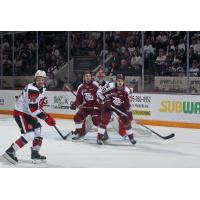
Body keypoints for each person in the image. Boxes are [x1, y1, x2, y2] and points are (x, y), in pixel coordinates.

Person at [3, 70, 56, 164]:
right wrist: (47, 118)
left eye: (42, 79)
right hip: (21, 113)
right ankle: (10, 151)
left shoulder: (42, 88)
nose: (40, 81)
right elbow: (33, 109)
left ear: (44, 80)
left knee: (39, 131)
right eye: (38, 79)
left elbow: (38, 106)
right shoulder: (32, 90)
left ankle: (35, 153)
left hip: (29, 113)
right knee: (29, 135)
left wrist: (45, 115)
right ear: (35, 79)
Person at [96, 74, 136, 145]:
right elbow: (99, 92)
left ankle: (131, 138)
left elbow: (128, 104)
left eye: (121, 81)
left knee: (126, 120)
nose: (119, 82)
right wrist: (105, 100)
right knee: (104, 120)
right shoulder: (110, 86)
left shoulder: (127, 91)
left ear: (124, 81)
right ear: (116, 81)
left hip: (120, 106)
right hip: (108, 105)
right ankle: (99, 138)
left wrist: (129, 112)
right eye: (118, 81)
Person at [70, 71, 101, 141]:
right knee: (77, 117)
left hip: (95, 108)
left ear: (91, 77)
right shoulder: (81, 87)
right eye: (86, 76)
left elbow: (101, 96)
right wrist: (76, 104)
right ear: (84, 77)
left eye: (89, 76)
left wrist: (99, 105)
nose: (88, 78)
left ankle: (103, 134)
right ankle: (80, 134)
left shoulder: (95, 85)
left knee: (96, 120)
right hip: (85, 108)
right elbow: (78, 99)